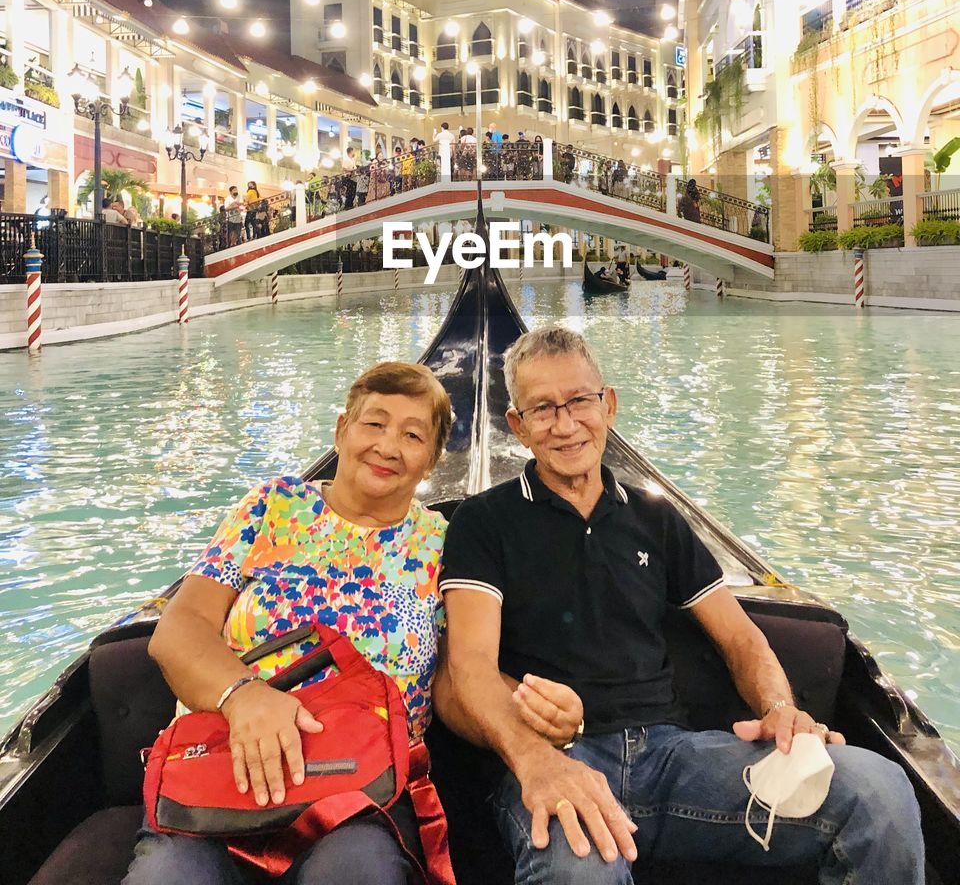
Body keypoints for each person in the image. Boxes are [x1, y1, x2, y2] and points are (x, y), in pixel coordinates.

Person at [436, 325, 925, 885]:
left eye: (579, 401)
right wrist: (535, 759)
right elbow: (468, 667)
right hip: (554, 755)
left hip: (674, 758)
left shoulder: (656, 518)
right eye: (543, 409)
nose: (566, 424)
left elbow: (741, 639)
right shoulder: (483, 522)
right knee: (580, 870)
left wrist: (778, 709)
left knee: (879, 792)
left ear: (609, 405)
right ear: (518, 427)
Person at [125, 362, 455, 885]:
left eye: (413, 435)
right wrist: (244, 696)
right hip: (221, 763)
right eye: (374, 423)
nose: (389, 446)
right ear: (342, 429)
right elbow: (180, 627)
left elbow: (466, 673)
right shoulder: (272, 506)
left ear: (432, 461)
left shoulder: (444, 545)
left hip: (363, 787)